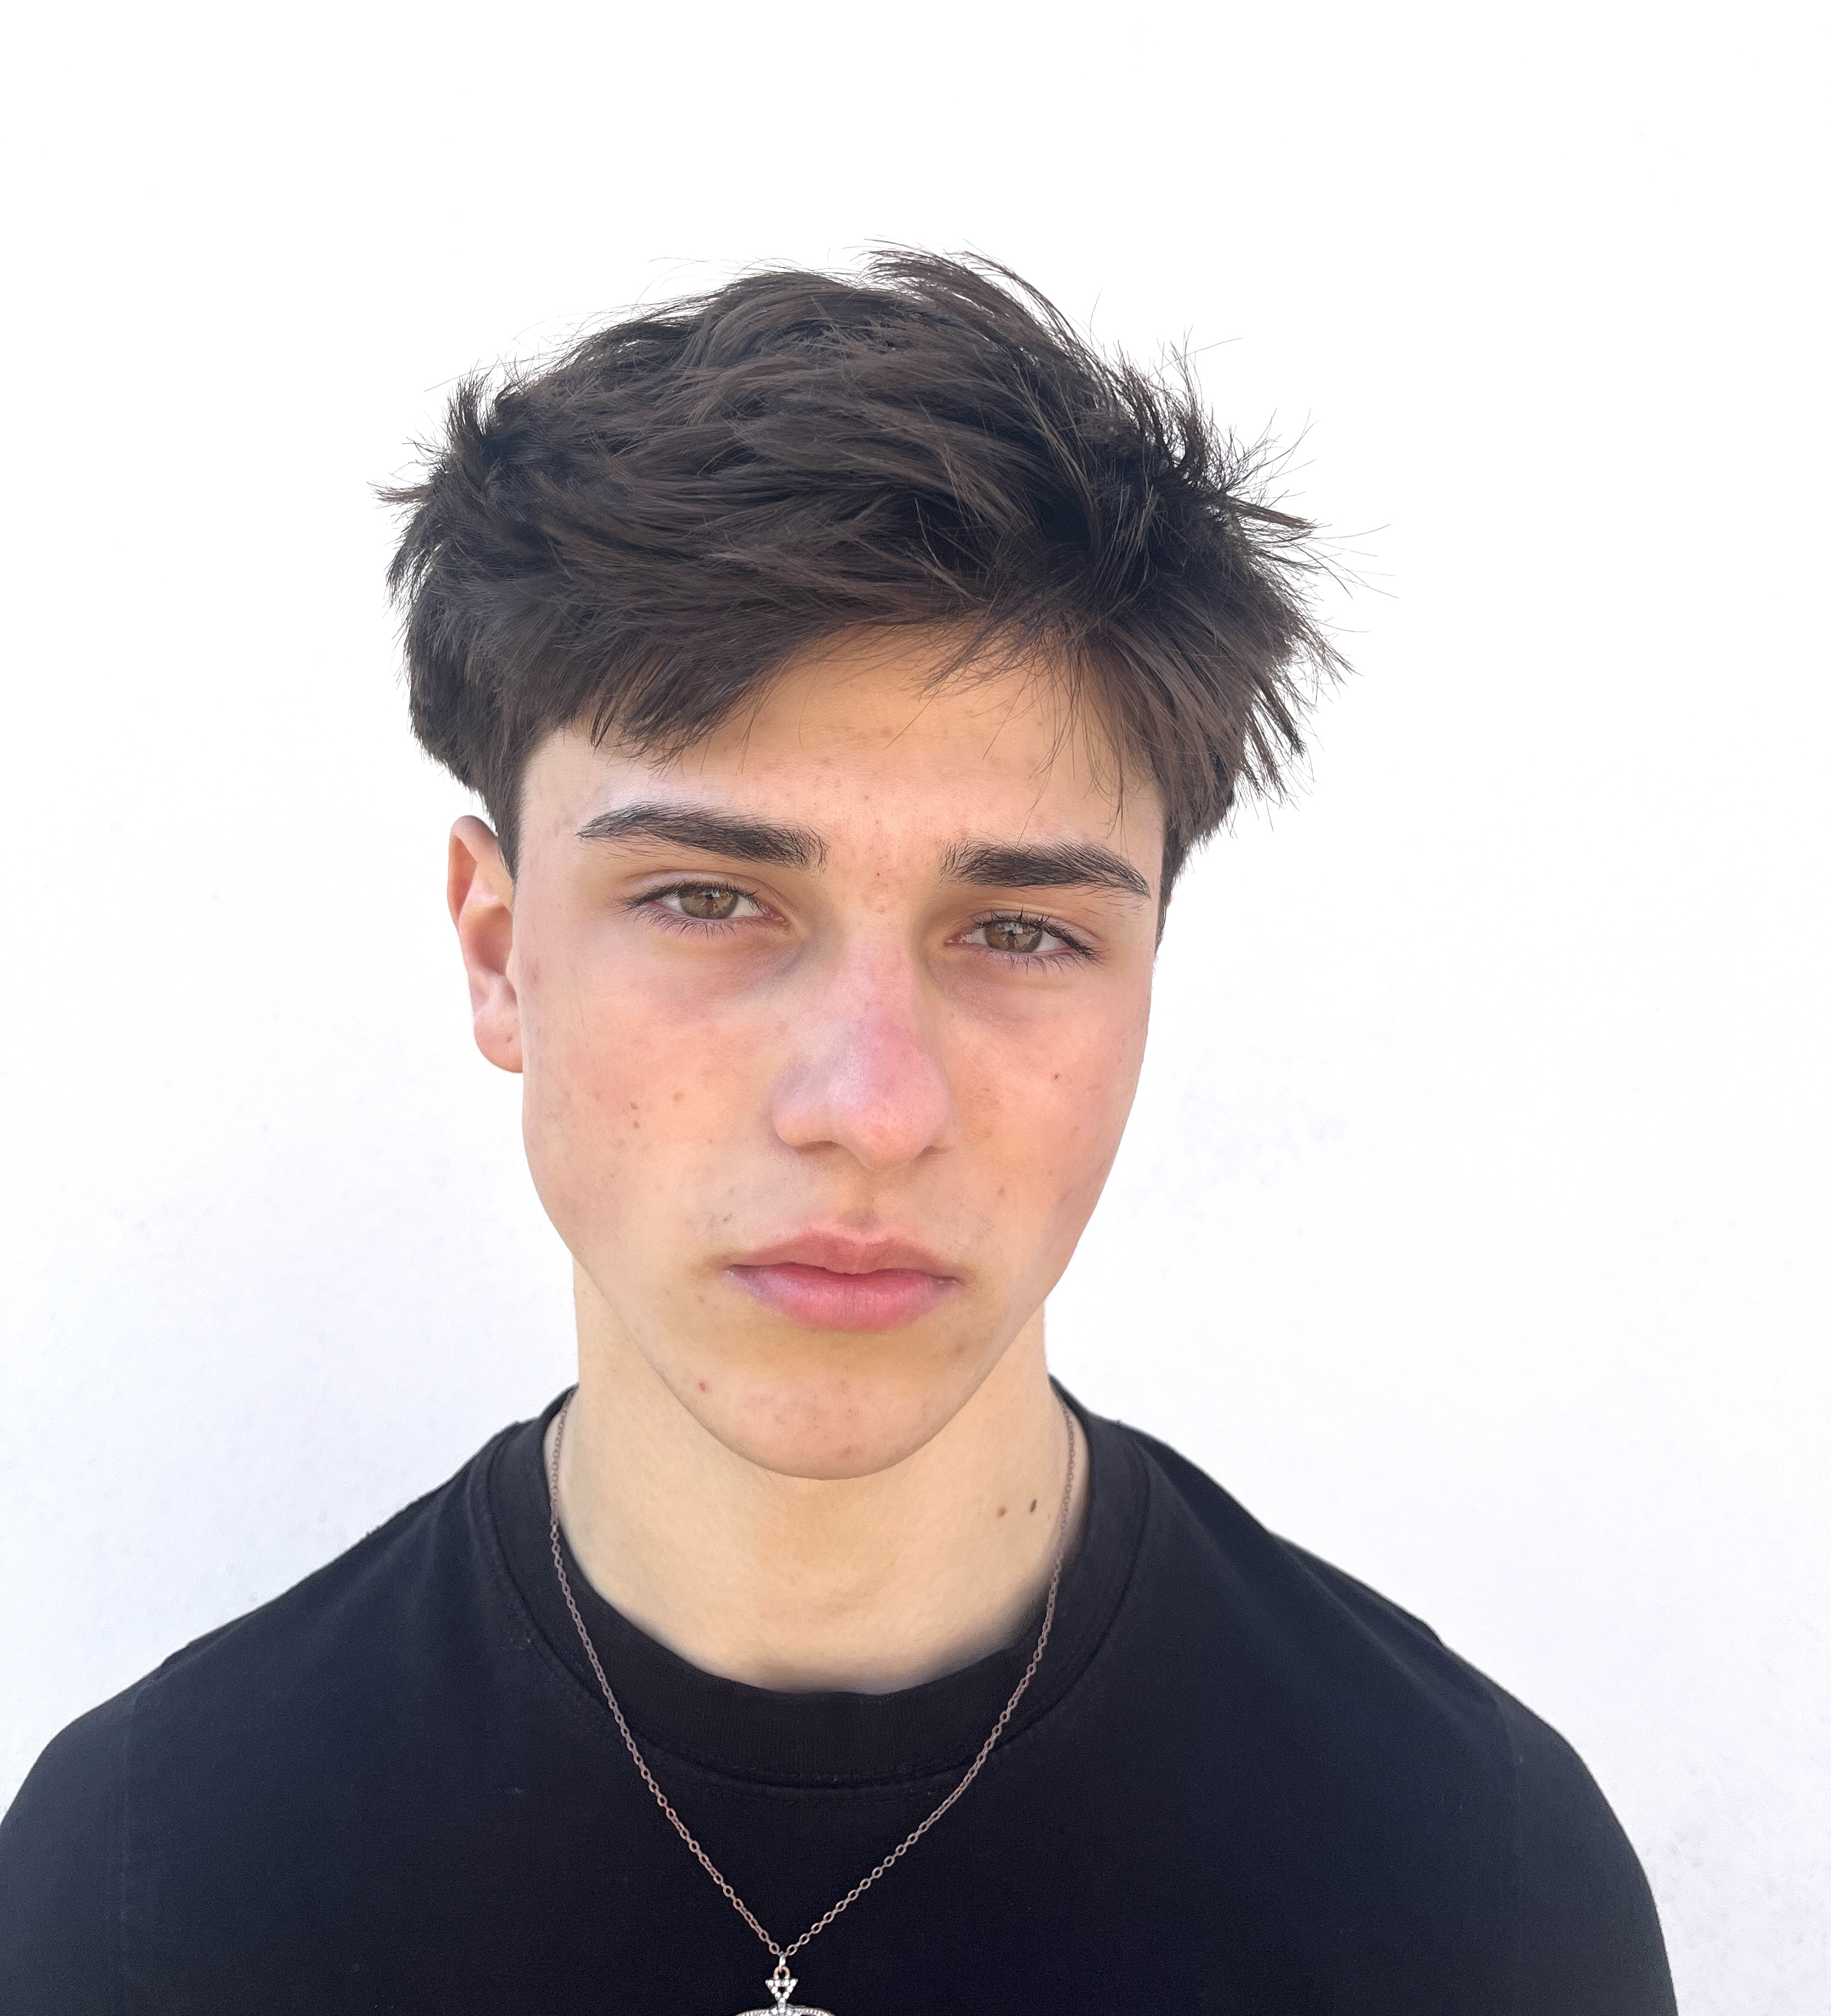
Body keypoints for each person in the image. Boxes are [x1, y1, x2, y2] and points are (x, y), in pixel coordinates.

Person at [0, 255, 1675, 2012]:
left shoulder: (1469, 1887)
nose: (872, 1108)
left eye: (1020, 931)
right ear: (499, 955)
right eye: (709, 899)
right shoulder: (145, 1885)